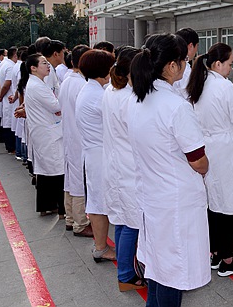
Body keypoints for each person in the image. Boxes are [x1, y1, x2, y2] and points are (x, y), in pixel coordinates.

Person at [127, 33, 210, 306]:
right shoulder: (175, 106)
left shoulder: (139, 100)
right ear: (173, 66)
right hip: (176, 202)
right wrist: (206, 166)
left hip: (153, 196)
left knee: (159, 269)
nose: (187, 65)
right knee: (172, 274)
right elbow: (198, 160)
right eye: (184, 60)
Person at [187, 42, 233, 277]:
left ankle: (214, 253)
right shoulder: (225, 87)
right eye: (230, 64)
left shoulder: (199, 84)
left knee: (213, 204)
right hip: (226, 149)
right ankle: (227, 259)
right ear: (217, 64)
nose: (230, 69)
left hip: (208, 147)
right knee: (229, 206)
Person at [101, 46, 144, 291]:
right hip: (129, 166)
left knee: (121, 219)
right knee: (132, 223)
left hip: (115, 163)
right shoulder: (130, 98)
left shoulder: (111, 91)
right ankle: (126, 274)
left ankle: (124, 269)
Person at [76, 49, 117, 263]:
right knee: (100, 203)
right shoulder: (98, 96)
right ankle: (101, 248)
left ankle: (101, 246)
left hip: (95, 153)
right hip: (100, 155)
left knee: (98, 200)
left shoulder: (91, 89)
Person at [21, 54, 66, 217]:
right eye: (43, 63)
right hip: (48, 133)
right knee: (56, 169)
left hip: (45, 131)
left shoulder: (37, 83)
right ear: (33, 68)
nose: (47, 66)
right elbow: (56, 106)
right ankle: (61, 208)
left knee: (46, 170)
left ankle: (47, 205)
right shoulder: (37, 86)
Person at [59, 45, 93, 237]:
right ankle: (80, 222)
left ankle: (70, 218)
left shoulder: (67, 81)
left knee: (71, 179)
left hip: (69, 136)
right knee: (79, 180)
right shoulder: (81, 85)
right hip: (80, 138)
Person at [0, 46, 17, 153]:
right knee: (10, 123)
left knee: (8, 121)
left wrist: (0, 95)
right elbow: (7, 83)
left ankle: (10, 146)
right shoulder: (10, 66)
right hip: (9, 98)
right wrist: (1, 95)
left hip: (6, 97)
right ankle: (11, 147)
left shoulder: (4, 64)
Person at [173, 27, 199, 100]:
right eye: (197, 46)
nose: (196, 50)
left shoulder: (167, 64)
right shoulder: (185, 69)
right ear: (191, 46)